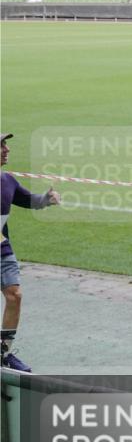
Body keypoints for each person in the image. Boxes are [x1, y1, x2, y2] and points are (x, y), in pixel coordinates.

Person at [1, 132, 60, 372]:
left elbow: (28, 201)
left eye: (5, 145)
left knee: (14, 296)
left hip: (2, 249)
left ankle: (3, 353)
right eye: (1, 146)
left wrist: (46, 199)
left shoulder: (7, 180)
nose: (6, 149)